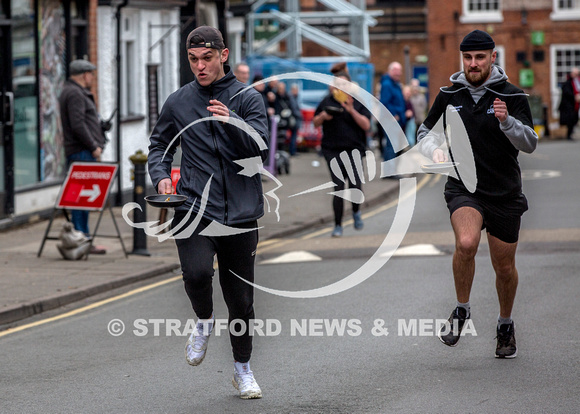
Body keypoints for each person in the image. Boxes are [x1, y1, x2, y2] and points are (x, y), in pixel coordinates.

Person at [147, 26, 269, 399]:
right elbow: (158, 146)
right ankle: (202, 321)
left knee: (241, 303)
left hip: (241, 214)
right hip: (193, 210)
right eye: (193, 59)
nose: (199, 66)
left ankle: (243, 370)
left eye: (206, 58)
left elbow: (260, 149)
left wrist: (231, 122)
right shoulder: (179, 102)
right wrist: (162, 177)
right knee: (197, 275)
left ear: (223, 55)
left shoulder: (247, 98)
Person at [416, 30, 538, 358]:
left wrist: (507, 122)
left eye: (480, 57)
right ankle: (461, 310)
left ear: (493, 57)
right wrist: (434, 149)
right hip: (464, 188)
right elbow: (424, 131)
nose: (473, 64)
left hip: (504, 193)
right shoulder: (449, 94)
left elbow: (530, 142)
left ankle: (505, 324)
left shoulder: (511, 94)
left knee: (504, 266)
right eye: (468, 58)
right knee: (466, 243)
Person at [313, 69, 371, 237]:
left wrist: (351, 110)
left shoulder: (358, 102)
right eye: (337, 85)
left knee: (355, 186)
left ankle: (356, 212)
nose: (341, 88)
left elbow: (366, 125)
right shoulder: (326, 101)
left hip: (354, 150)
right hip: (332, 150)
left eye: (344, 85)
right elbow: (315, 122)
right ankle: (338, 225)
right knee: (338, 187)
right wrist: (324, 116)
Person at [58, 59, 107, 255]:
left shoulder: (71, 91)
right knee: (81, 199)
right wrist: (94, 146)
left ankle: (82, 238)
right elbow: (78, 125)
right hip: (82, 152)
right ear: (84, 74)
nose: (92, 78)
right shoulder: (75, 93)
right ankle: (82, 239)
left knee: (81, 198)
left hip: (81, 151)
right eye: (91, 74)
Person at [379, 62, 407, 167]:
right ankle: (390, 171)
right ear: (391, 71)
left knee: (395, 145)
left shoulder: (396, 84)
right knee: (392, 145)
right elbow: (384, 103)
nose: (399, 74)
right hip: (391, 120)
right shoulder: (387, 85)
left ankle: (391, 169)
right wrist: (394, 114)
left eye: (400, 71)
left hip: (397, 120)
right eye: (396, 71)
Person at [558, 67, 580, 140]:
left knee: (575, 119)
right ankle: (569, 134)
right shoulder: (567, 82)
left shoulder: (577, 81)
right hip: (569, 104)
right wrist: (574, 96)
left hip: (576, 104)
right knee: (570, 119)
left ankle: (571, 132)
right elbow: (567, 92)